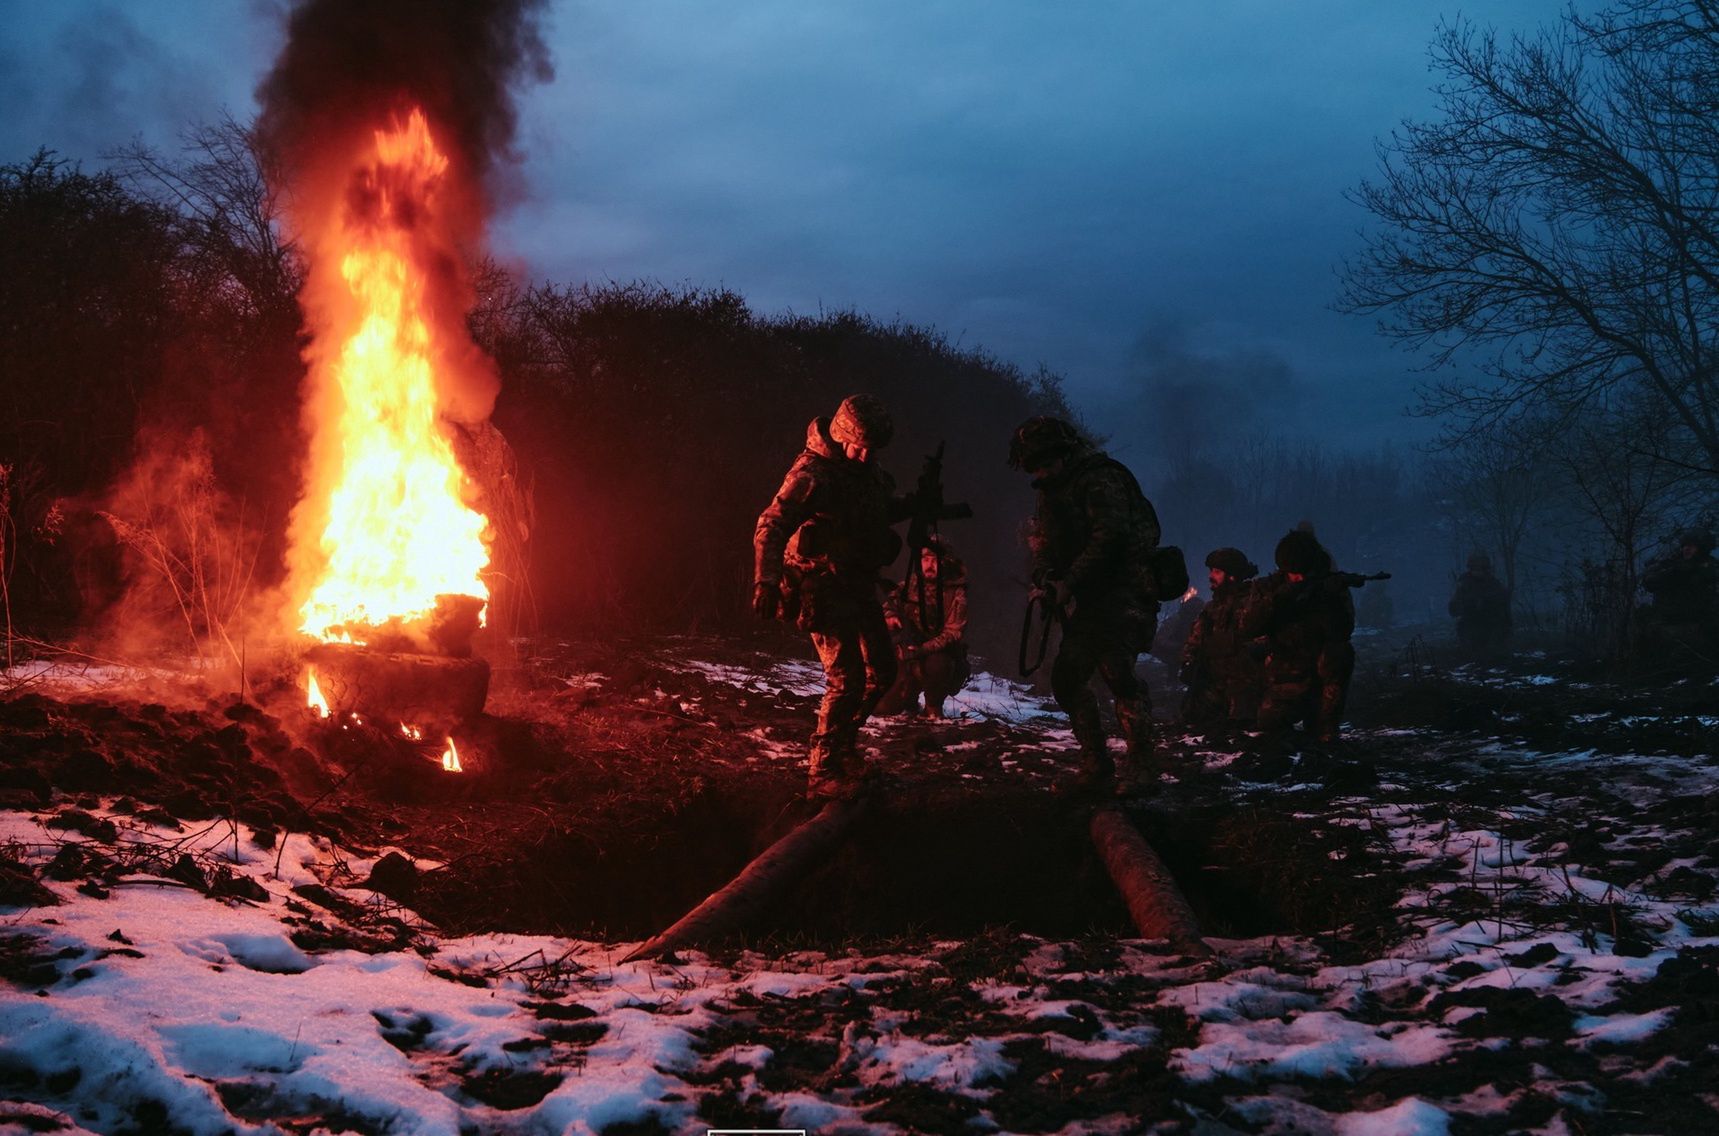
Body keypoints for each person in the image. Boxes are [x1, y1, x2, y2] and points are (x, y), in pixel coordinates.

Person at [753, 394, 912, 798]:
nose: (865, 455)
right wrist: (766, 581)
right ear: (842, 435)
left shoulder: (868, 472)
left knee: (883, 671)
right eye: (858, 446)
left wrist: (915, 505)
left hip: (856, 584)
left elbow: (875, 510)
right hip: (819, 585)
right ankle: (822, 770)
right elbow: (771, 524)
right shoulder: (813, 473)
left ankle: (841, 748)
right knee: (847, 679)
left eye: (872, 449)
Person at [1009, 416, 1162, 791]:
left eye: (1046, 463)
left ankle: (1142, 767)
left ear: (1064, 453)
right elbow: (1045, 542)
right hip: (1091, 600)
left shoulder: (1101, 479)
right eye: (1035, 467)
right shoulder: (1051, 489)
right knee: (1067, 677)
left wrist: (1069, 582)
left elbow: (1109, 539)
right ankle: (1096, 764)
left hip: (1125, 591)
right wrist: (1047, 578)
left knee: (1118, 674)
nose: (1041, 473)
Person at [1244, 528, 1355, 745]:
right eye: (1293, 573)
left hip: (1321, 669)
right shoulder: (1270, 588)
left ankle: (1325, 728)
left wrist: (1328, 600)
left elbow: (1342, 631)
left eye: (1303, 572)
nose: (1299, 578)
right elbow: (1249, 627)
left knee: (1341, 653)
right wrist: (1280, 600)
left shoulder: (1328, 585)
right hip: (1285, 669)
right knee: (1271, 729)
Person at [877, 535, 971, 718]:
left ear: (945, 562)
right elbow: (888, 607)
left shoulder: (956, 592)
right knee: (883, 710)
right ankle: (908, 700)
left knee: (939, 665)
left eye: (934, 560)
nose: (929, 564)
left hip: (938, 655)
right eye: (925, 559)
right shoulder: (909, 586)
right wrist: (891, 617)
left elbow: (953, 633)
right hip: (908, 654)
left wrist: (921, 650)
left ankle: (933, 705)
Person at [1180, 547, 1263, 728]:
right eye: (1211, 571)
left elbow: (1263, 643)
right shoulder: (1211, 609)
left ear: (1232, 576)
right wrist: (1188, 662)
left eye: (1217, 572)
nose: (1211, 576)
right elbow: (1194, 641)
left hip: (1245, 685)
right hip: (1215, 684)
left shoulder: (1253, 604)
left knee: (1243, 725)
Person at [1638, 528, 1719, 666]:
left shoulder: (1711, 568)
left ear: (1702, 548)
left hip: (1700, 624)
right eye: (1685, 545)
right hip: (1669, 622)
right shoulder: (1671, 563)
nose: (1687, 549)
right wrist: (1674, 573)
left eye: (1692, 546)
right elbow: (1648, 581)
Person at [1448, 551, 1512, 653]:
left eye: (1480, 568)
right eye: (1474, 568)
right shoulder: (1464, 585)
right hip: (1470, 626)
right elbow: (1453, 609)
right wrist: (1466, 606)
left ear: (1485, 569)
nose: (1477, 571)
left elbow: (1503, 609)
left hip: (1490, 626)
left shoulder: (1494, 585)